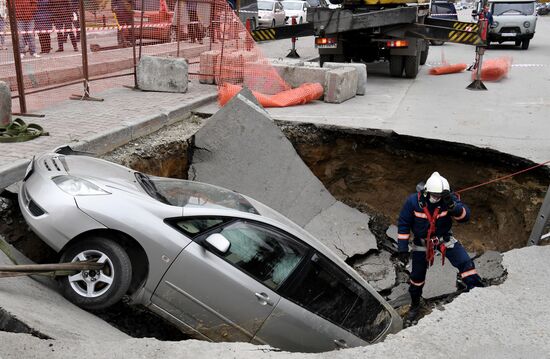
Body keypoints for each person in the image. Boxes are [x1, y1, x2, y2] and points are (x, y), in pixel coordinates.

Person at [397, 171, 483, 327]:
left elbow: (465, 217)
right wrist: (402, 248)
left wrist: (453, 206)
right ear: (426, 191)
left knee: (466, 264)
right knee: (416, 278)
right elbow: (403, 224)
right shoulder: (413, 202)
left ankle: (478, 293)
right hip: (422, 243)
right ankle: (415, 305)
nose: (436, 198)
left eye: (439, 195)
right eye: (434, 195)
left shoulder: (448, 200)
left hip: (444, 239)